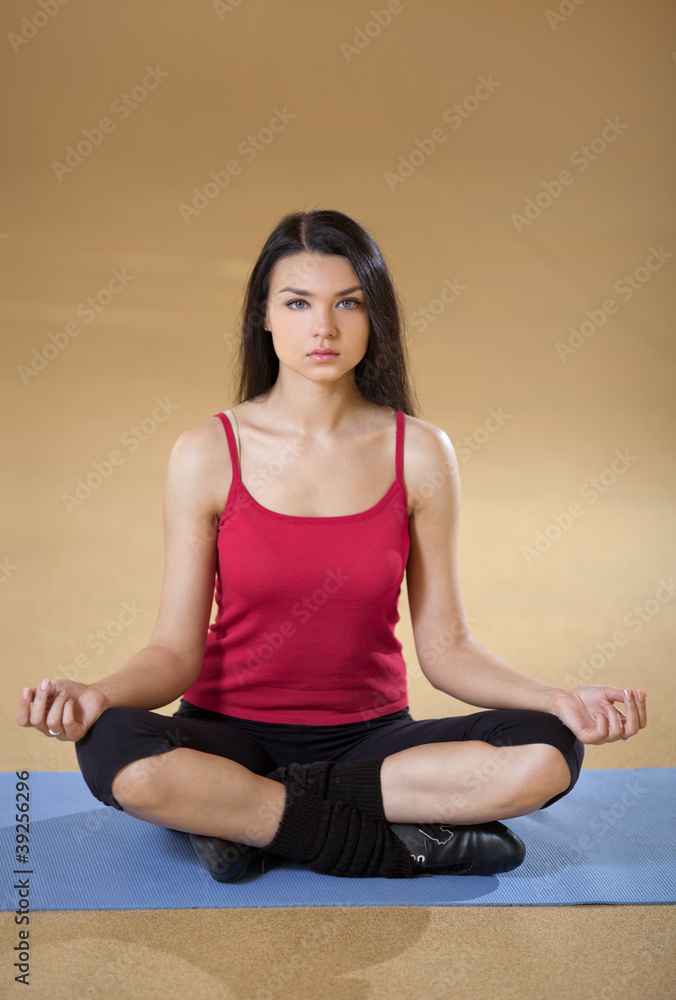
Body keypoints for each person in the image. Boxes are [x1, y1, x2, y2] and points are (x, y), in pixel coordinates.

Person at [16, 208, 647, 883]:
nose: (324, 327)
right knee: (115, 749)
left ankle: (239, 816)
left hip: (372, 744)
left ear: (375, 315)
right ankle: (385, 847)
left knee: (549, 753)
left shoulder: (420, 452)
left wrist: (558, 700)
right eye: (298, 303)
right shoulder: (208, 452)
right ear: (263, 314)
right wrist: (97, 695)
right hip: (227, 734)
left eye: (348, 302)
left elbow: (446, 649)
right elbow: (174, 652)